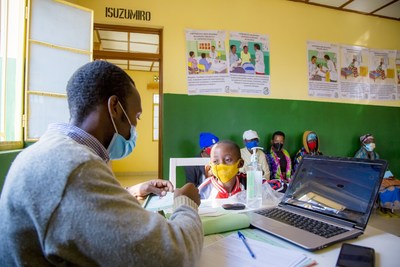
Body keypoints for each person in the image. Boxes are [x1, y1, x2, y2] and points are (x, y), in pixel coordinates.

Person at [0, 61, 203, 266]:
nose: (134, 127)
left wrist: (132, 191)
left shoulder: (54, 150)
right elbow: (174, 257)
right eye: (136, 117)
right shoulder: (75, 168)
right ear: (115, 107)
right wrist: (186, 204)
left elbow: (77, 207)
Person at [354, 134, 400, 217]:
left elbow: (382, 167)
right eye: (369, 141)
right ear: (363, 143)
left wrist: (388, 175)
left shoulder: (375, 154)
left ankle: (389, 207)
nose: (372, 143)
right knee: (386, 186)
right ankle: (384, 206)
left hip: (376, 176)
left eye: (373, 141)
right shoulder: (359, 155)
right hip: (365, 178)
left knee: (395, 186)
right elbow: (358, 170)